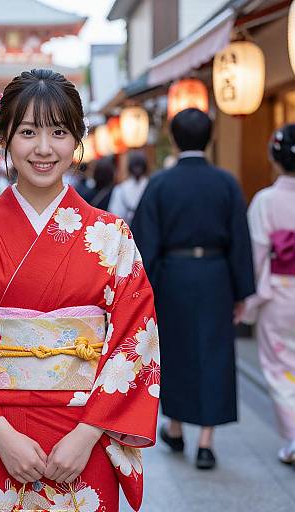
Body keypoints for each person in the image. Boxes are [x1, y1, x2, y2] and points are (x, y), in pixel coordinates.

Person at [0, 69, 159, 512]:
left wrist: (87, 435)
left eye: (59, 131)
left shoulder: (112, 235)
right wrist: (0, 434)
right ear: (6, 137)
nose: (44, 148)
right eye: (28, 131)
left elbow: (136, 338)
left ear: (77, 141)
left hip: (87, 436)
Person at [132, 108, 255, 470]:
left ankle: (174, 426)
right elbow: (240, 241)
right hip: (216, 274)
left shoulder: (160, 184)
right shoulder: (226, 183)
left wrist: (144, 289)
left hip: (172, 276)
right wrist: (241, 291)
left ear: (174, 136)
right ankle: (206, 441)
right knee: (214, 353)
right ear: (210, 137)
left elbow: (144, 242)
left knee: (175, 351)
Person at [241, 124, 295, 465]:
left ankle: (293, 437)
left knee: (279, 368)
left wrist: (248, 299)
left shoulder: (266, 201)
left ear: (274, 158)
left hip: (280, 292)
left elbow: (257, 253)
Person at [109, 151, 149, 224]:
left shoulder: (120, 189)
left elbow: (115, 216)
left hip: (126, 230)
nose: (137, 169)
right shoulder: (152, 186)